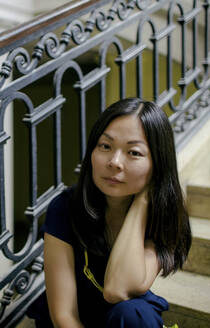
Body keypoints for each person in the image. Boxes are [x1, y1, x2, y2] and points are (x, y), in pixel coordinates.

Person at [26, 98, 192, 327]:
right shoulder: (65, 207)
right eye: (105, 146)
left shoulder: (163, 217)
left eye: (133, 152)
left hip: (123, 320)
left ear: (157, 164)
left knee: (134, 313)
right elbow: (64, 315)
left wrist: (142, 203)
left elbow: (118, 290)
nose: (114, 162)